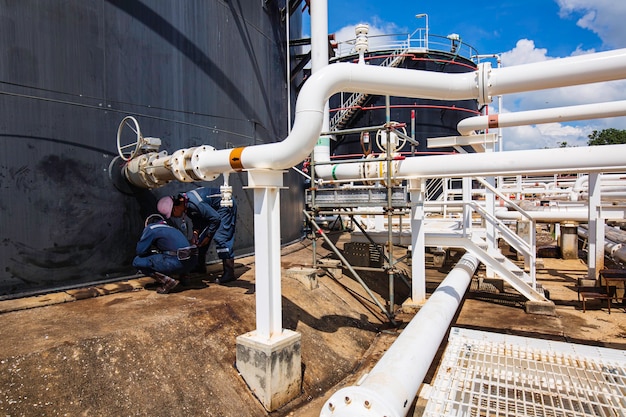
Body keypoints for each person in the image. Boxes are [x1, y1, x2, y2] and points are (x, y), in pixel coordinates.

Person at [159, 187, 238, 284]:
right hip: (211, 209)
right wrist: (196, 234)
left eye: (172, 214)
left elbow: (216, 218)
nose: (174, 217)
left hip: (224, 205)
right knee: (200, 238)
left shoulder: (194, 203)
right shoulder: (186, 205)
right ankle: (200, 266)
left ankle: (229, 272)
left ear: (175, 207)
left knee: (221, 238)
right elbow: (197, 219)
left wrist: (208, 236)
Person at [132, 214, 198, 294]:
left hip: (175, 263)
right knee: (175, 254)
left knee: (137, 261)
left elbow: (140, 251)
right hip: (191, 263)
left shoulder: (151, 228)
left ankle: (167, 281)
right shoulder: (173, 228)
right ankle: (185, 277)